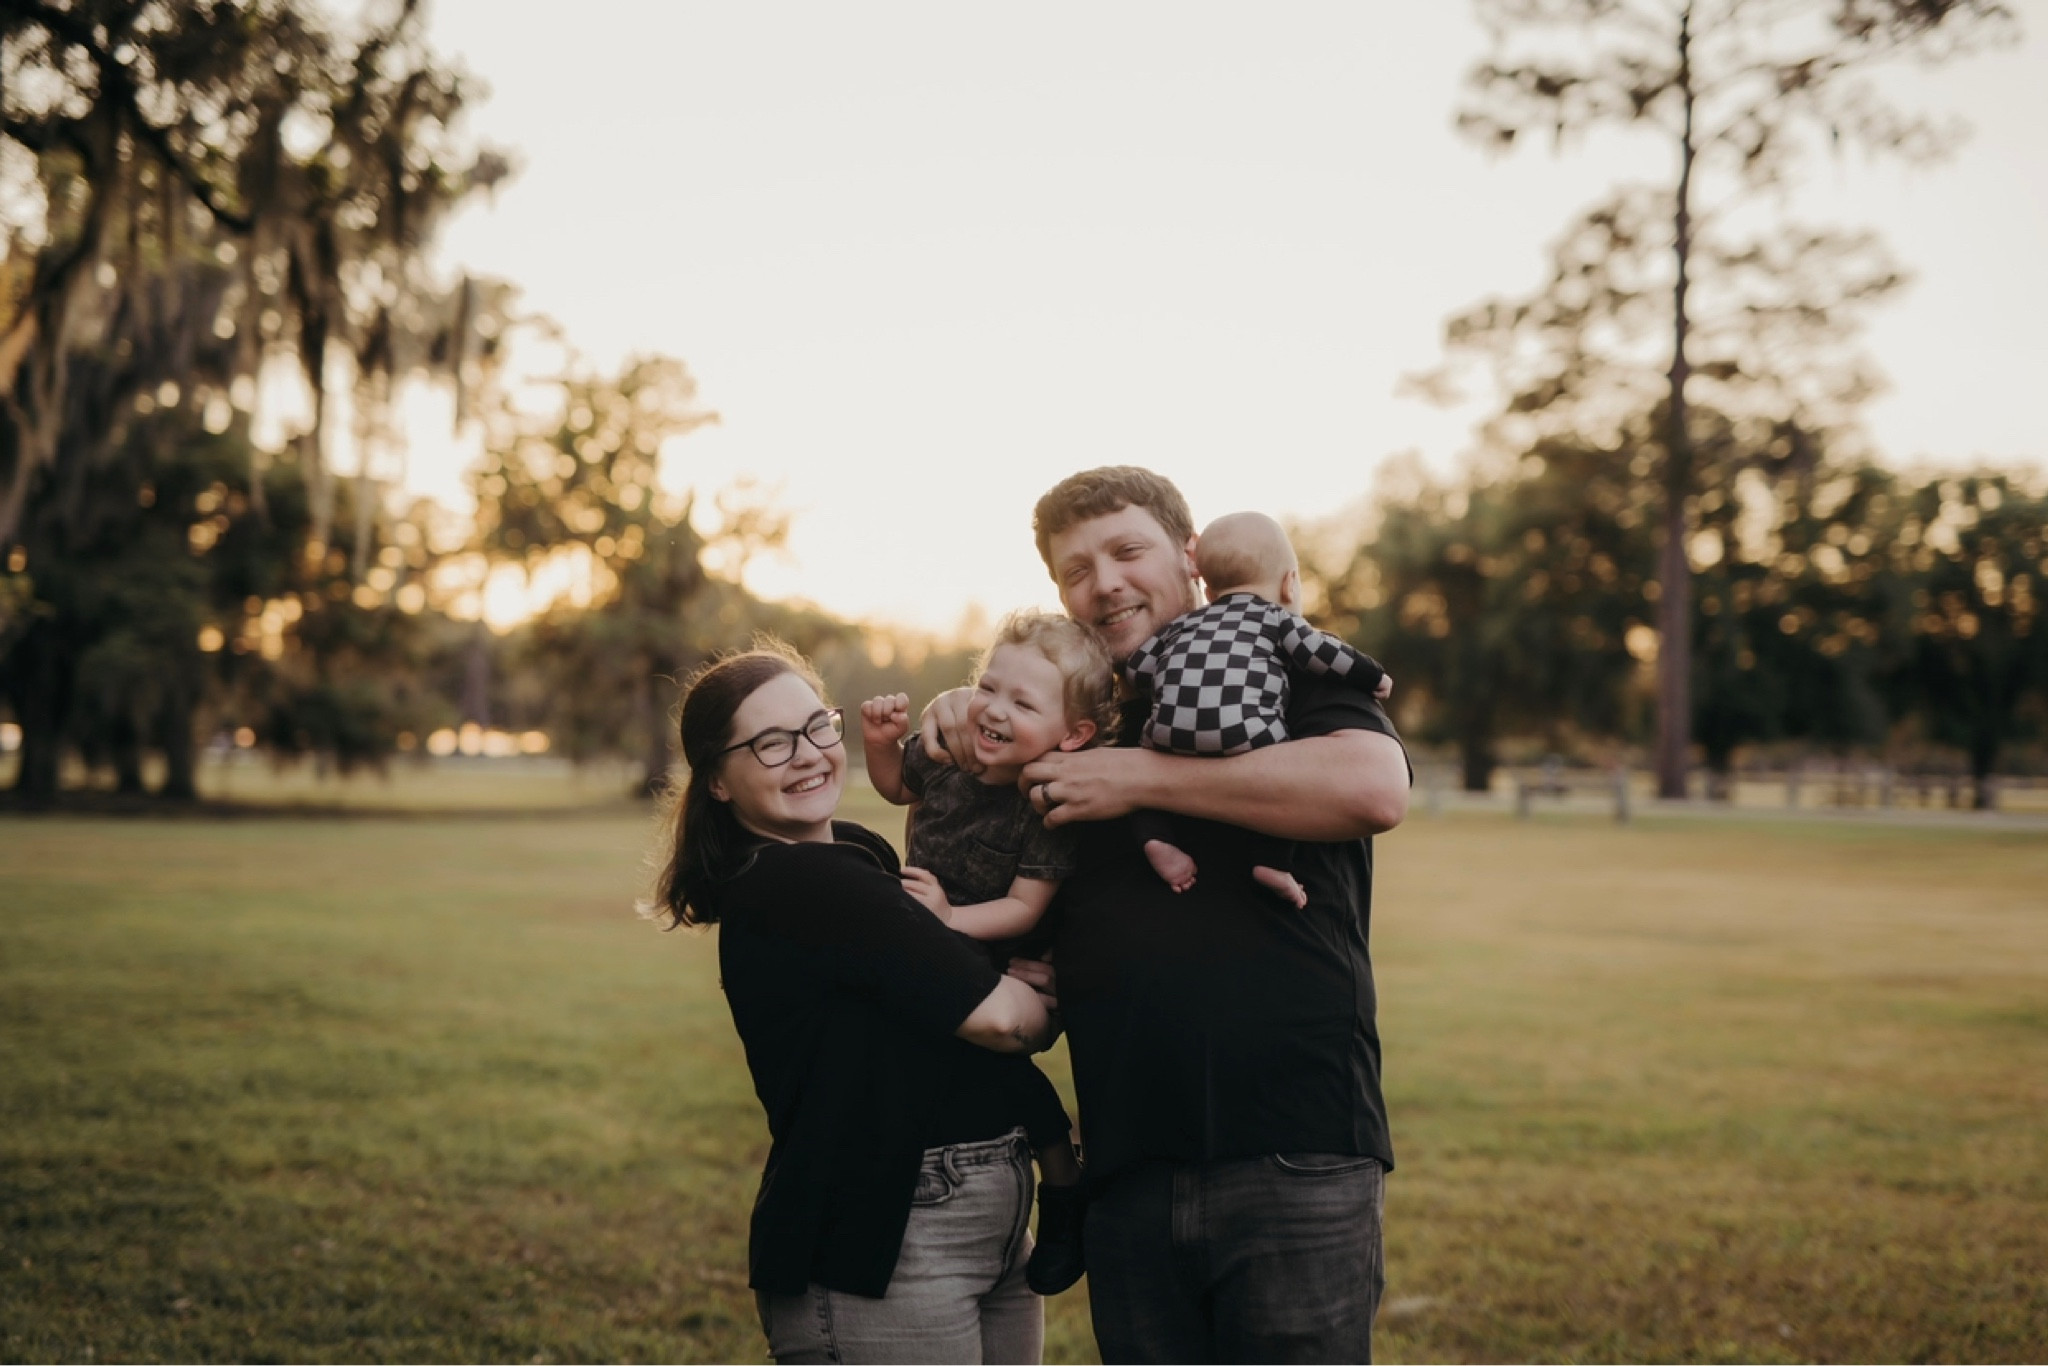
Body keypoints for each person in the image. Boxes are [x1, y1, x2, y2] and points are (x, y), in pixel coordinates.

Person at [921, 467, 1410, 1363]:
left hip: (1295, 1146)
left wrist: (1140, 778)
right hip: (1128, 1165)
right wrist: (956, 711)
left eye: (1127, 551)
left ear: (1189, 557)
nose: (1104, 583)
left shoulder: (1272, 657)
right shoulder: (1074, 720)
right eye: (1076, 570)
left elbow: (1373, 788)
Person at [648, 640, 1063, 1365]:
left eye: (817, 726)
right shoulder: (802, 881)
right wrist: (1049, 1001)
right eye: (771, 743)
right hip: (888, 1241)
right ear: (717, 781)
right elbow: (1002, 1020)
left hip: (983, 1222)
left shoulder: (856, 854)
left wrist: (960, 708)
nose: (808, 754)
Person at [859, 609, 1118, 1296]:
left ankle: (1063, 1186)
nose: (995, 709)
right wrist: (881, 743)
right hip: (926, 938)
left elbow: (1026, 907)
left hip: (996, 957)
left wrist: (949, 917)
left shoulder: (1046, 805)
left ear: (1073, 735)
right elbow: (896, 786)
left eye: (1023, 703)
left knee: (999, 1072)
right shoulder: (951, 756)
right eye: (990, 687)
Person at [1123, 510, 1391, 908]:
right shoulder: (1276, 618)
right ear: (1289, 583)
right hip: (1244, 731)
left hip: (1167, 730)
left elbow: (1137, 668)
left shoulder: (1180, 627)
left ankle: (1157, 839)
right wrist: (1373, 676)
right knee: (1281, 768)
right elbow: (1320, 652)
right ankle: (1272, 860)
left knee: (1143, 768)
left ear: (1208, 589)